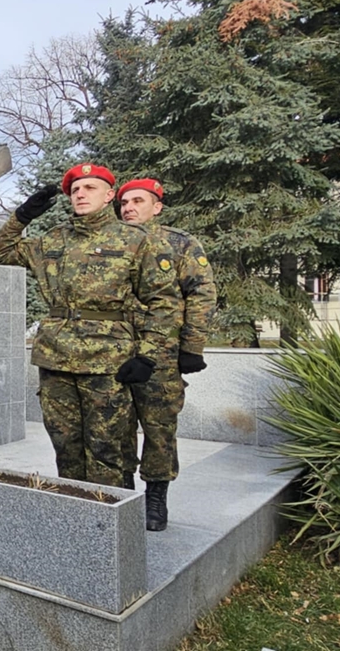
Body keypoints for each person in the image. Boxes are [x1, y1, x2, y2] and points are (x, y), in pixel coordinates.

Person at [0, 163, 180, 489]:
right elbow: (0, 252)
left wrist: (147, 355)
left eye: (89, 188)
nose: (80, 194)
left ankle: (111, 521)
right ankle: (76, 515)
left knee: (107, 447)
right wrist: (21, 216)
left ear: (109, 196)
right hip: (56, 357)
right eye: (75, 189)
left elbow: (164, 303)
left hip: (107, 359)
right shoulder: (54, 239)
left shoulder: (135, 240)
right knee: (65, 445)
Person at [118, 178, 217, 531]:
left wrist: (192, 346)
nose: (128, 207)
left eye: (137, 201)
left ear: (157, 206)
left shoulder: (179, 244)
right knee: (116, 429)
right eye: (124, 201)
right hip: (115, 350)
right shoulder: (112, 241)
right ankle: (123, 495)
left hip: (161, 354)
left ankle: (155, 497)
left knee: (159, 429)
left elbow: (202, 293)